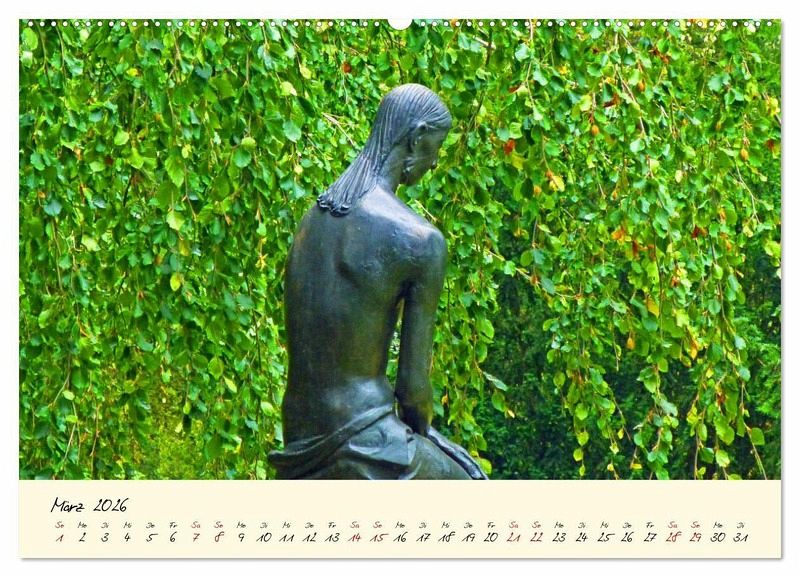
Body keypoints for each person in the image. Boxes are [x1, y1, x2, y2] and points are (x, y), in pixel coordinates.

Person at [269, 84, 486, 480]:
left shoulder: (311, 222)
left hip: (300, 437)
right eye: (437, 147)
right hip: (367, 441)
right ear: (417, 137)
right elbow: (412, 391)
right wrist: (429, 436)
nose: (435, 162)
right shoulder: (420, 241)